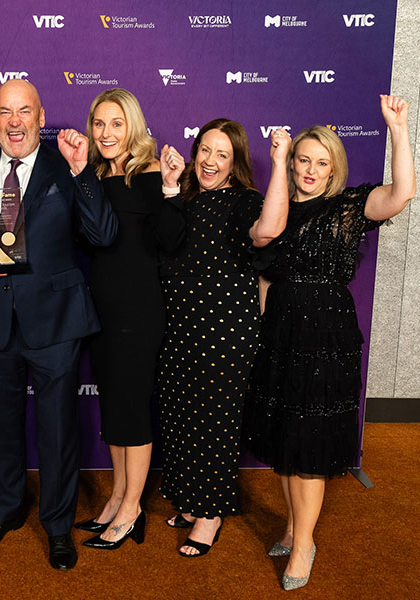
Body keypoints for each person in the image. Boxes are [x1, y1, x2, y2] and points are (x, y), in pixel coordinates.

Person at [243, 95, 416, 590]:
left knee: (310, 442)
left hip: (325, 334)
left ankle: (304, 546)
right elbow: (264, 280)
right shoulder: (274, 208)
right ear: (292, 161)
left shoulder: (347, 208)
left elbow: (402, 192)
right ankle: (294, 525)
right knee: (282, 434)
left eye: (322, 162)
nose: (311, 170)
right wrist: (260, 337)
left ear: (333, 169)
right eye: (304, 159)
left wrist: (398, 129)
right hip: (279, 331)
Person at [0, 78, 117, 570]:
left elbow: (102, 234)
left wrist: (84, 172)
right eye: (5, 112)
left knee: (58, 428)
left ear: (42, 117)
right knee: (2, 425)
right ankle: (5, 509)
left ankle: (58, 526)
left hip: (55, 321)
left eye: (25, 112)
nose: (15, 121)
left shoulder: (67, 169)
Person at [155, 119, 289, 558]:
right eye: (206, 151)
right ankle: (192, 502)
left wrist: (280, 162)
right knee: (181, 417)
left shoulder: (244, 202)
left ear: (234, 163)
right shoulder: (186, 197)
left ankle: (210, 513)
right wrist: (171, 189)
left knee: (214, 424)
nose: (210, 162)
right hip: (179, 328)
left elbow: (267, 232)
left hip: (225, 333)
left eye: (222, 155)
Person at [71, 89, 162, 550]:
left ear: (132, 125)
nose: (106, 133)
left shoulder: (149, 173)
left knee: (130, 410)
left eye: (116, 124)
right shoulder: (97, 173)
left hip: (138, 308)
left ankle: (132, 507)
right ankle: (118, 497)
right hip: (102, 307)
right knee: (113, 409)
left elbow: (163, 238)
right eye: (99, 124)